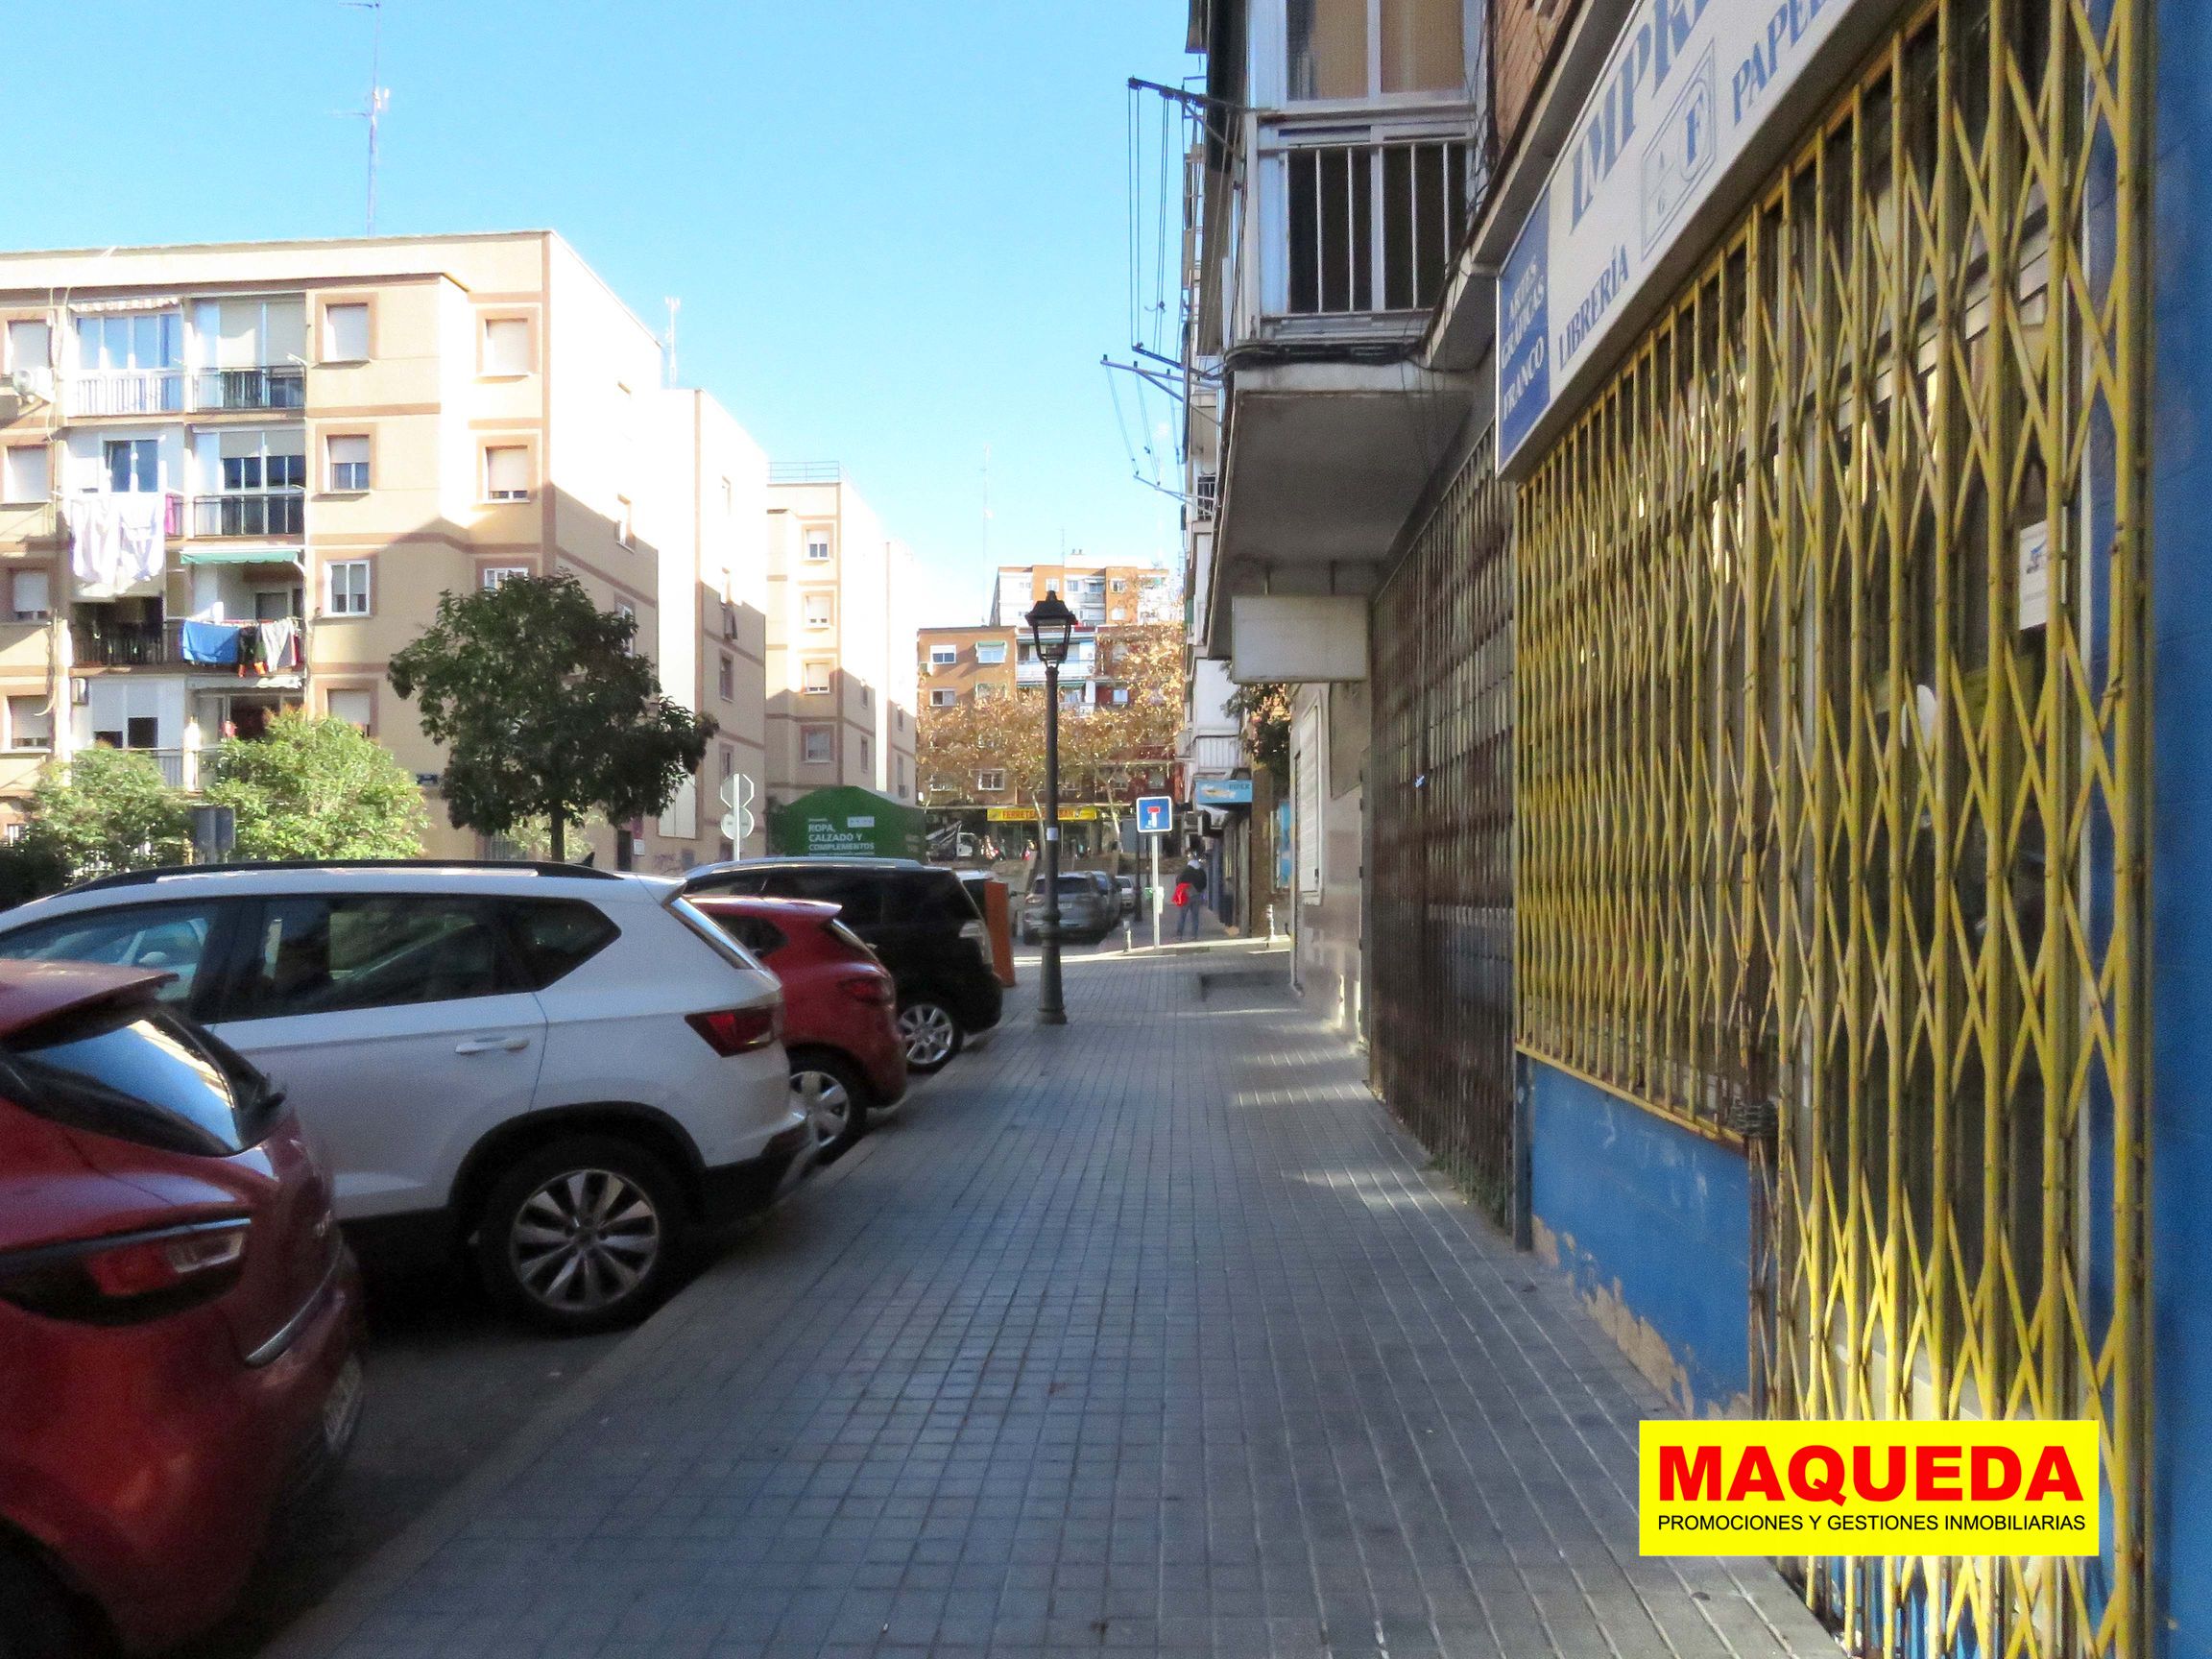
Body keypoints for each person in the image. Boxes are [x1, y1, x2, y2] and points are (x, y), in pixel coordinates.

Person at [1172, 853, 1208, 940]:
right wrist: (1199, 890)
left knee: (1182, 916)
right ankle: (1194, 936)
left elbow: (1179, 881)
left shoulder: (1186, 870)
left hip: (1186, 895)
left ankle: (1179, 936)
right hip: (1197, 895)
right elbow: (1204, 883)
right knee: (1195, 916)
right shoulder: (1201, 871)